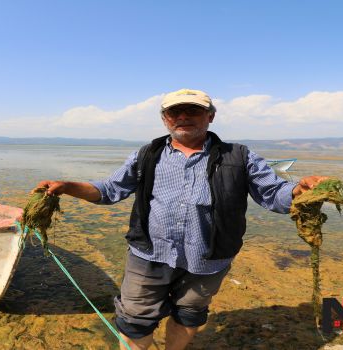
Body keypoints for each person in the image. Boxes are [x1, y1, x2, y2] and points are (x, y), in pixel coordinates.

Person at [35, 89, 326, 350]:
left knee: (189, 314)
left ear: (210, 116)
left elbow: (274, 194)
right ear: (165, 119)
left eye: (193, 110)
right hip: (148, 254)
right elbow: (110, 190)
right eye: (174, 112)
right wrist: (67, 187)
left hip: (209, 260)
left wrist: (300, 191)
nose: (183, 116)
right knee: (134, 320)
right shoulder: (147, 154)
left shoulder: (240, 156)